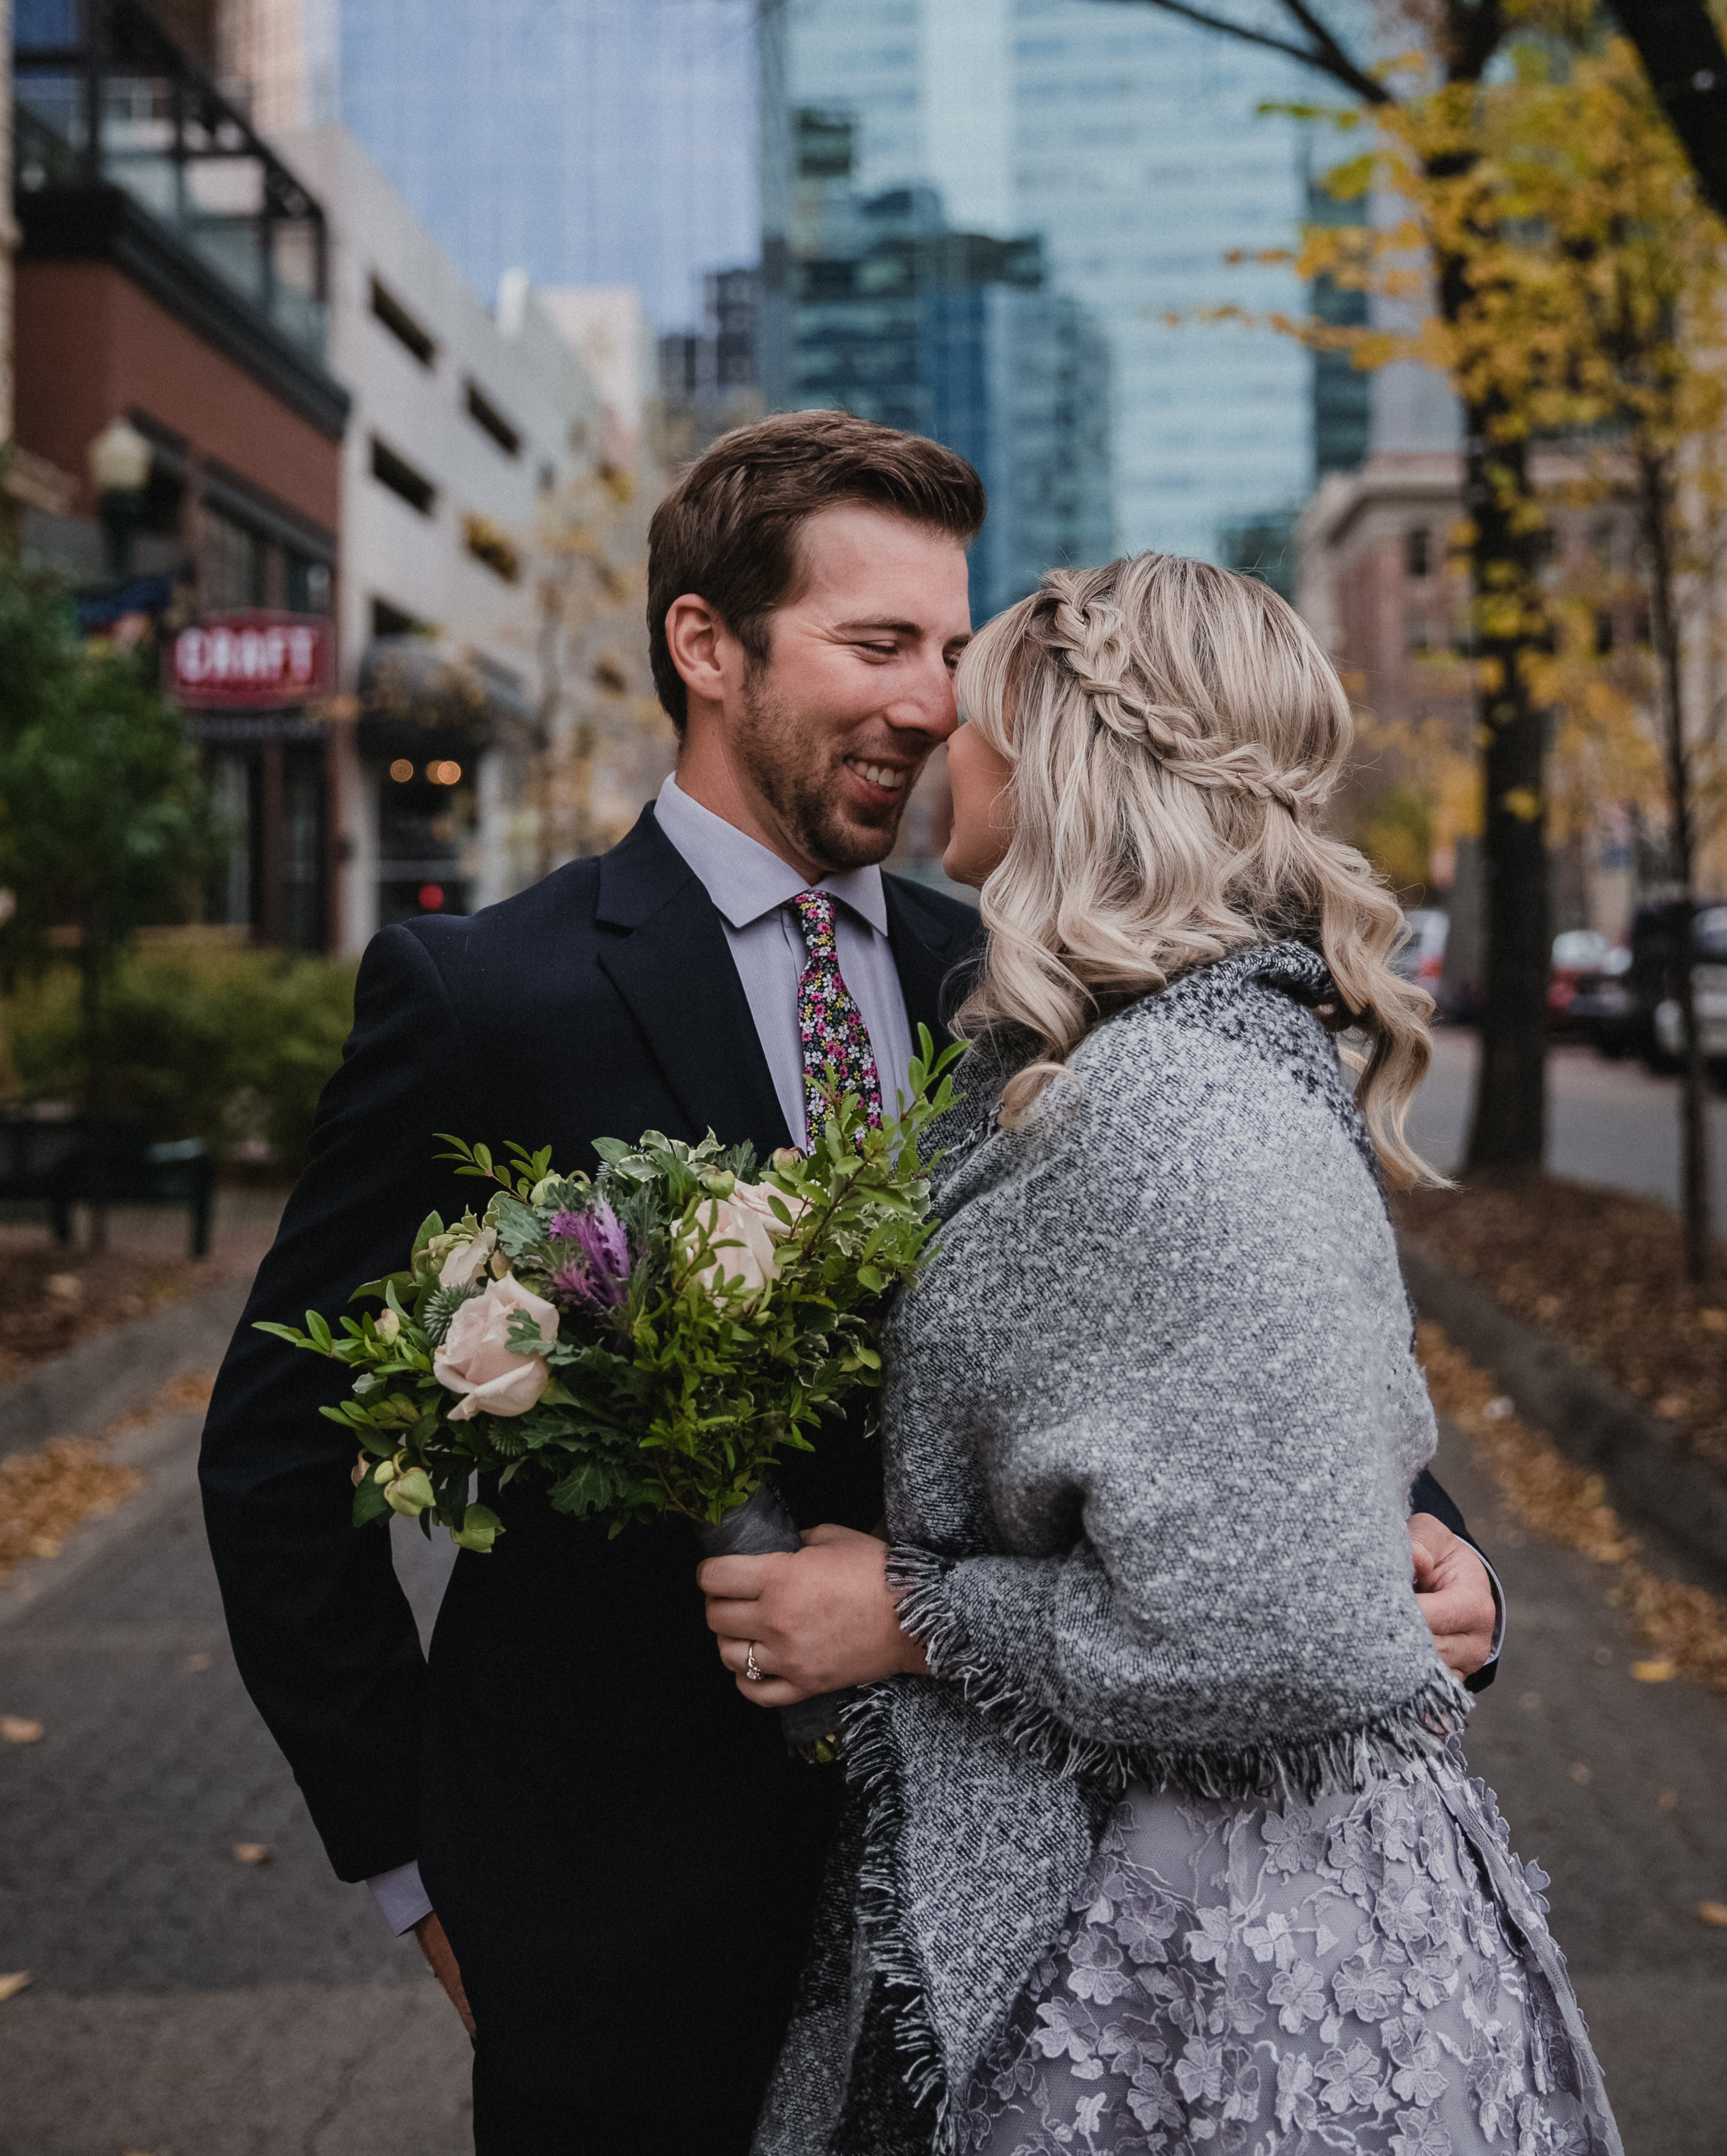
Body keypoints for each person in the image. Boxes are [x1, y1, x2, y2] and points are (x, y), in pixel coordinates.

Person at [200, 421, 1498, 2155]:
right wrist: (416, 1867)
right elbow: (280, 1466)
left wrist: (1421, 1532)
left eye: (952, 652)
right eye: (877, 645)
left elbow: (1214, 1307)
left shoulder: (1026, 968)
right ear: (706, 646)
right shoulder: (480, 996)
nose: (931, 701)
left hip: (1013, 1906)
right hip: (607, 1929)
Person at [700, 555, 1614, 2156]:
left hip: (1213, 1973)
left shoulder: (1177, 1106)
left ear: (1062, 756)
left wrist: (908, 1615)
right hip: (1144, 1895)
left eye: (974, 707)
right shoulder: (1101, 1056)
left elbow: (1274, 1628)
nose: (938, 739)